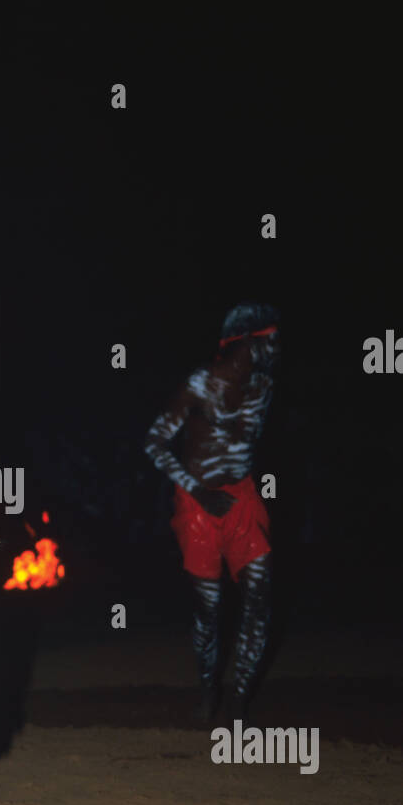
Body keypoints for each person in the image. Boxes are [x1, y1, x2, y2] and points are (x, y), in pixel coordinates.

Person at [144, 303, 280, 722]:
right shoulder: (199, 385)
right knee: (209, 608)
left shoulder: (263, 386)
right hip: (197, 504)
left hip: (241, 499)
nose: (277, 348)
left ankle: (238, 699)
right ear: (247, 344)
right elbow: (154, 443)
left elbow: (248, 443)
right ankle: (208, 691)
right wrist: (199, 491)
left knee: (259, 595)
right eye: (270, 340)